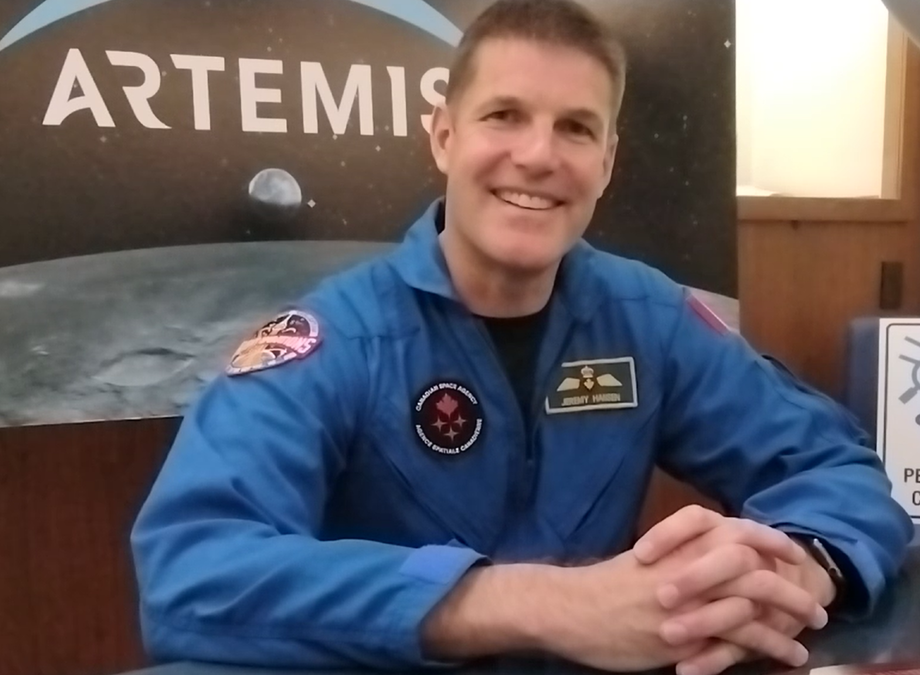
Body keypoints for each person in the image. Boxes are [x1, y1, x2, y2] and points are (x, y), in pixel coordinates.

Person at [129, 1, 915, 673]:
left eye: (575, 129)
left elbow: (826, 463)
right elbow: (190, 568)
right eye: (504, 115)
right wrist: (529, 600)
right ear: (443, 136)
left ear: (606, 163)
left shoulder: (646, 317)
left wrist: (803, 564)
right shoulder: (334, 338)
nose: (538, 157)